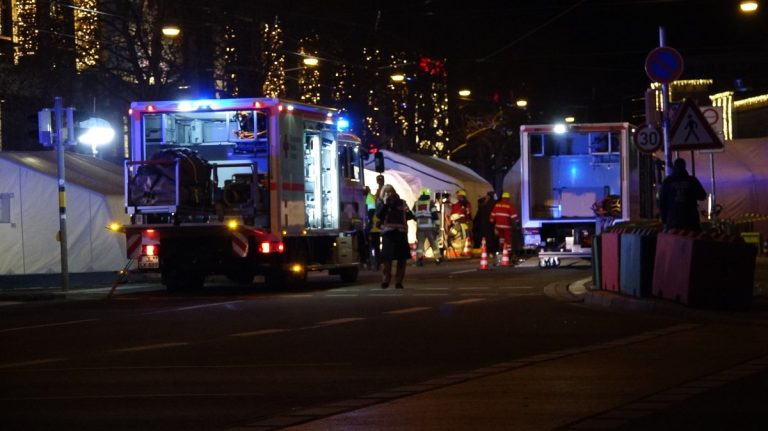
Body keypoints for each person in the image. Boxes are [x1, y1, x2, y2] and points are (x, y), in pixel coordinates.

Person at [376, 184, 415, 289]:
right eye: (386, 192)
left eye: (390, 192)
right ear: (383, 194)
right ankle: (386, 279)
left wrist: (405, 211)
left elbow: (410, 215)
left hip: (401, 233)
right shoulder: (381, 203)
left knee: (401, 259)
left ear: (394, 192)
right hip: (388, 234)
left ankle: (398, 281)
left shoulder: (402, 203)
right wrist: (385, 203)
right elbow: (379, 215)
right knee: (387, 259)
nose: (388, 194)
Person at [659, 158, 707, 231]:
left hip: (673, 220)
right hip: (691, 220)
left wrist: (664, 218)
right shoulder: (692, 181)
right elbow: (702, 196)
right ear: (684, 167)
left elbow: (662, 202)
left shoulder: (667, 182)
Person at [412, 187, 442, 266]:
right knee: (433, 243)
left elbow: (412, 214)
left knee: (420, 244)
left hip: (420, 228)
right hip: (430, 228)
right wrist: (438, 226)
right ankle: (438, 258)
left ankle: (419, 259)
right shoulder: (430, 203)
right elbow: (435, 215)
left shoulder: (416, 203)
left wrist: (418, 220)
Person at [490, 191, 519, 259]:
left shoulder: (497, 205)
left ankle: (501, 249)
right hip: (506, 226)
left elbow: (492, 215)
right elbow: (514, 216)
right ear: (508, 198)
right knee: (508, 239)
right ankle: (508, 252)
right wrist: (517, 223)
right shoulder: (509, 205)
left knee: (501, 238)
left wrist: (492, 221)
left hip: (498, 226)